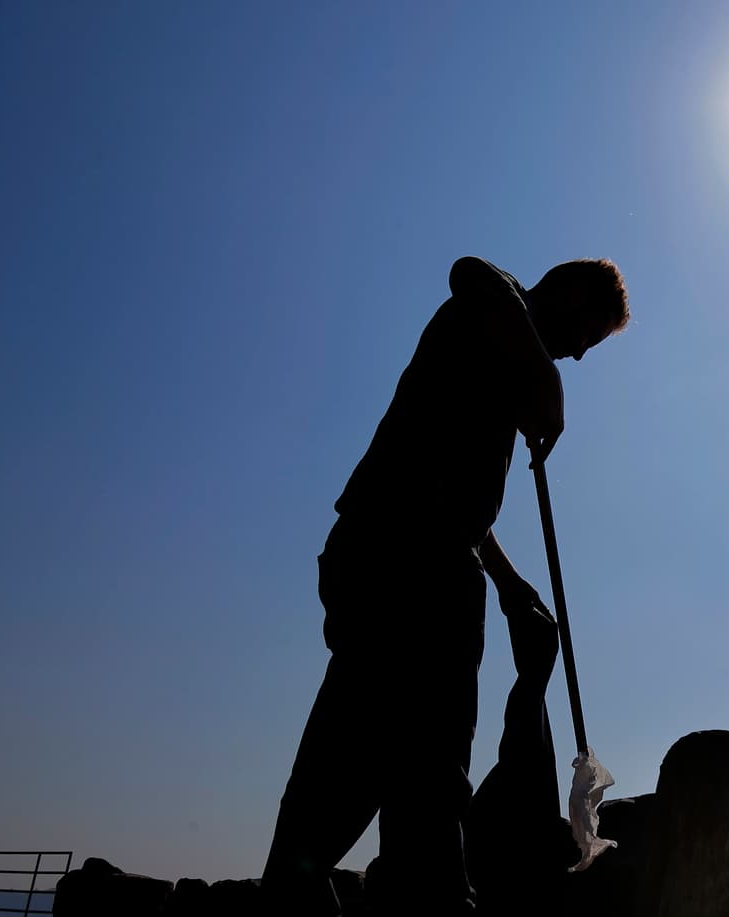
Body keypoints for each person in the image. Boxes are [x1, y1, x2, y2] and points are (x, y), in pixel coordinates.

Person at [261, 255, 630, 916]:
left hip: (406, 553)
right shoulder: (493, 307)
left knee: (370, 755)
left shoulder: (501, 355)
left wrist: (511, 584)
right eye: (586, 335)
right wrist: (543, 376)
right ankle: (411, 895)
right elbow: (471, 271)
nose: (577, 354)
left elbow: (457, 502)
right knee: (419, 765)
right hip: (405, 558)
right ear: (569, 292)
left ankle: (300, 888)